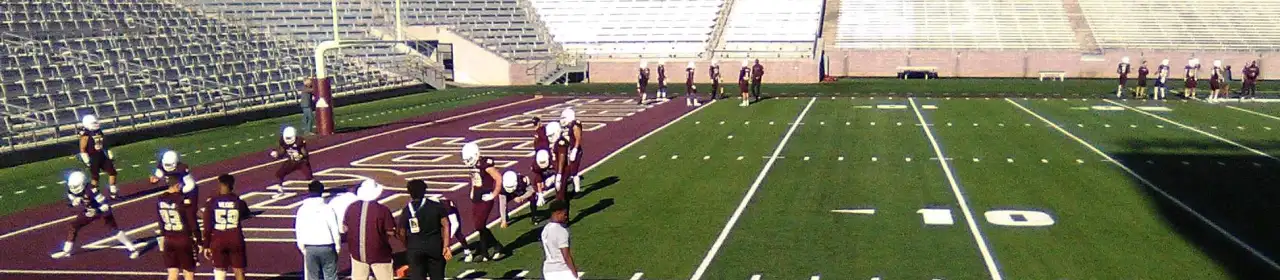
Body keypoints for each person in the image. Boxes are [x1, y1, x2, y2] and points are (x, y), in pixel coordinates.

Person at [51, 171, 139, 259]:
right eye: (72, 186)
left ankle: (133, 249)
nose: (74, 189)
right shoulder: (71, 191)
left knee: (114, 230)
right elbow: (70, 201)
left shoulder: (92, 190)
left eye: (76, 186)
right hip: (88, 211)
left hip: (101, 211)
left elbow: (106, 206)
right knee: (73, 226)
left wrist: (97, 210)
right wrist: (74, 202)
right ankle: (67, 250)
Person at [459, 142, 507, 262]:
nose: (468, 162)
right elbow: (473, 178)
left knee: (479, 225)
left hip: (486, 197)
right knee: (478, 226)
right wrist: (472, 189)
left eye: (469, 159)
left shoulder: (485, 164)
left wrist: (494, 194)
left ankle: (495, 247)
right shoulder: (474, 165)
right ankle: (486, 251)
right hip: (477, 196)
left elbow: (498, 178)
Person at [343, 179, 397, 280]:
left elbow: (345, 228)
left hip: (357, 252)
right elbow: (390, 231)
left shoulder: (352, 207)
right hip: (379, 253)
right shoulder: (382, 210)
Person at [398, 180, 452, 280]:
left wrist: (408, 245)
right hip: (434, 246)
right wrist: (446, 245)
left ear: (409, 193)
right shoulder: (436, 206)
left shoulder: (406, 210)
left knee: (417, 277)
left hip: (415, 248)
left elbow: (401, 232)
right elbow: (446, 224)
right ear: (424, 191)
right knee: (437, 276)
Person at [203, 174, 250, 280]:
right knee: (239, 271)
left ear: (220, 184)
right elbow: (246, 214)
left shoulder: (212, 202)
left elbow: (207, 226)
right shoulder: (239, 202)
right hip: (235, 238)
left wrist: (206, 245)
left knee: (220, 271)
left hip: (218, 239)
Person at [295, 181, 341, 280]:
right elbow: (334, 229)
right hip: (327, 245)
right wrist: (337, 246)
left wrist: (302, 247)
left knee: (312, 276)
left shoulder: (302, 209)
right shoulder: (328, 208)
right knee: (330, 276)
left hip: (310, 246)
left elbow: (299, 229)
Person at [157, 175, 200, 280]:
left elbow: (160, 221)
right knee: (188, 272)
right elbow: (192, 221)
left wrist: (162, 237)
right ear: (177, 185)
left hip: (168, 239)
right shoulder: (182, 199)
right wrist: (199, 240)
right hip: (183, 238)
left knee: (172, 272)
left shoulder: (160, 199)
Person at [77, 115, 120, 199]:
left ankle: (113, 192)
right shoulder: (85, 135)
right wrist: (86, 160)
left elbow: (103, 144)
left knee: (112, 172)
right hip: (93, 158)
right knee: (95, 178)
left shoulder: (99, 132)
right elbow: (82, 149)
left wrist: (108, 152)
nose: (96, 124)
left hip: (102, 155)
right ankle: (90, 195)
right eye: (93, 123)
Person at [151, 151, 198, 220]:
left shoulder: (181, 168)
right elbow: (159, 175)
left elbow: (190, 185)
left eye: (169, 165)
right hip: (174, 190)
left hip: (187, 191)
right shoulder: (161, 166)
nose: (168, 167)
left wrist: (180, 189)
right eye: (166, 164)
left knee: (190, 212)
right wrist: (156, 179)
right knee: (175, 209)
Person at [541, 200, 579, 280]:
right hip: (562, 271)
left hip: (548, 271)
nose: (566, 217)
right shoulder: (561, 231)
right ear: (558, 213)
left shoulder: (545, 229)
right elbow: (566, 256)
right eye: (564, 214)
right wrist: (575, 274)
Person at [271, 126, 312, 198]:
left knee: (309, 177)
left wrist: (300, 156)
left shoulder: (299, 141)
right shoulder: (283, 141)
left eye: (289, 138)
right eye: (287, 138)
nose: (288, 140)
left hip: (302, 162)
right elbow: (282, 152)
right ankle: (280, 190)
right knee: (279, 174)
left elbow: (305, 154)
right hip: (292, 161)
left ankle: (316, 189)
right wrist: (277, 154)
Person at [559, 108, 584, 193]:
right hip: (569, 150)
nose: (563, 120)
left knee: (573, 170)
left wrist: (575, 150)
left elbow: (578, 138)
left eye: (564, 118)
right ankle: (573, 188)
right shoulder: (568, 126)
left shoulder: (575, 125)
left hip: (575, 150)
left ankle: (577, 190)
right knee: (569, 170)